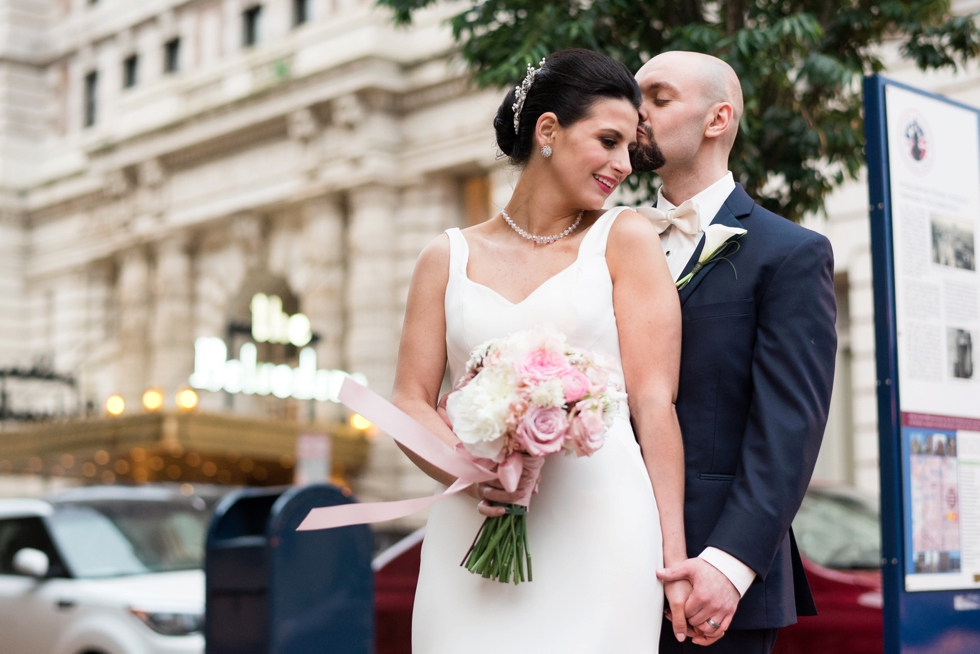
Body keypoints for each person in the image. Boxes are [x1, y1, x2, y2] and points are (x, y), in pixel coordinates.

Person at [391, 48, 688, 652]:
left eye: (629, 149)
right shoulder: (444, 257)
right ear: (548, 129)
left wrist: (675, 557)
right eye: (607, 140)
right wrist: (470, 472)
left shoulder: (625, 239)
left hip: (602, 528)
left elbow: (655, 404)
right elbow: (409, 401)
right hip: (475, 528)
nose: (621, 164)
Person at [630, 51, 838, 653]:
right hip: (600, 561)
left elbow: (789, 426)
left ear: (717, 118)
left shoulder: (789, 254)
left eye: (658, 97)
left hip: (709, 584)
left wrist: (730, 563)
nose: (635, 111)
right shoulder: (608, 245)